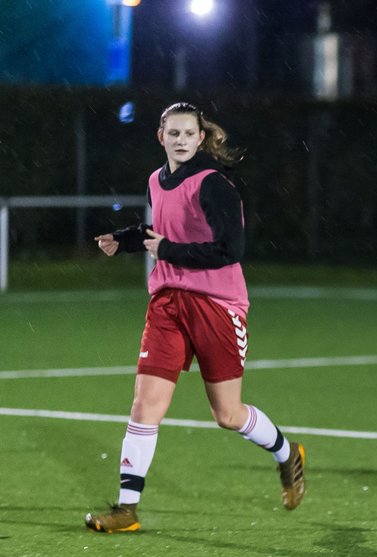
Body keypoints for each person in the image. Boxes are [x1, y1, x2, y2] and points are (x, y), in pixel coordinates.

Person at [85, 102, 305, 533]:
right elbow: (164, 231)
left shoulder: (215, 185)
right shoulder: (155, 180)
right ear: (160, 136)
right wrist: (127, 239)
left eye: (189, 134)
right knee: (145, 405)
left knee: (227, 414)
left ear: (200, 138)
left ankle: (287, 453)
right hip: (167, 302)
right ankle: (127, 510)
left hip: (217, 304)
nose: (181, 140)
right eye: (174, 134)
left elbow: (229, 251)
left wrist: (168, 250)